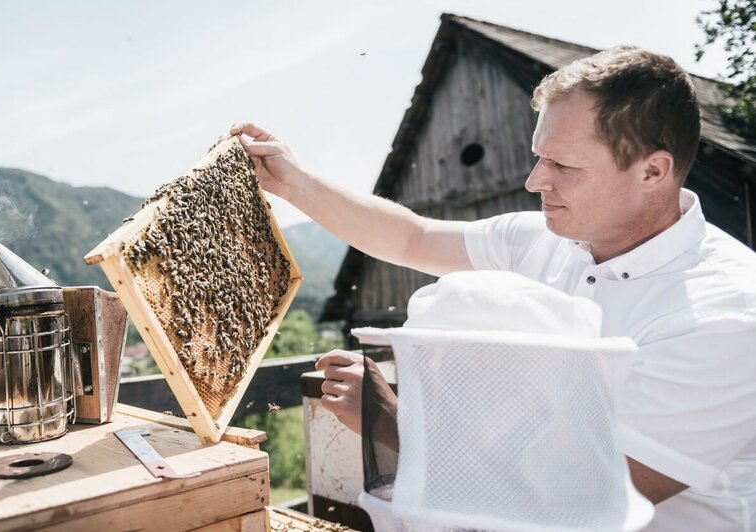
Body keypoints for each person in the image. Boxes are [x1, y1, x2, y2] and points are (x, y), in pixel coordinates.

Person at [227, 45, 756, 530]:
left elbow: (580, 499)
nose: (534, 182)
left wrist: (395, 423)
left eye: (563, 165)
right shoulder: (544, 240)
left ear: (653, 171)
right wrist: (291, 181)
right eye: (538, 156)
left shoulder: (728, 314)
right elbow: (413, 238)